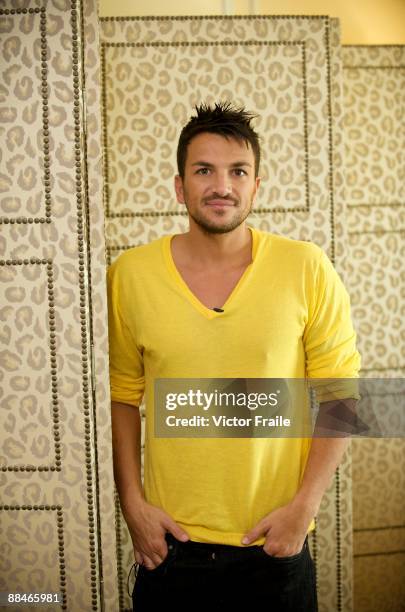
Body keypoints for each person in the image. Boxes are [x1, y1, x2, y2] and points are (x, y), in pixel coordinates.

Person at [107, 102, 361, 611]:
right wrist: (132, 507)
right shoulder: (129, 275)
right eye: (204, 170)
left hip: (273, 550)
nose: (221, 185)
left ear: (255, 185)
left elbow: (342, 396)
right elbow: (121, 397)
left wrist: (302, 510)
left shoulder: (305, 267)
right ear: (180, 187)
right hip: (171, 554)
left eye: (237, 171)